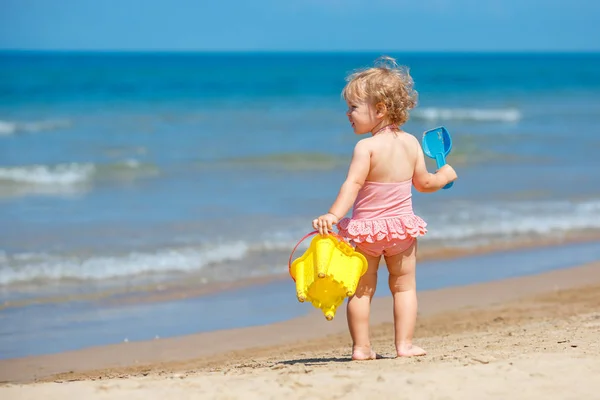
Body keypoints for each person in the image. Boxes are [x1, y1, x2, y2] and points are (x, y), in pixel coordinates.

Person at [312, 56, 457, 360]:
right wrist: (444, 175)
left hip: (367, 234)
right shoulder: (411, 143)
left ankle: (362, 348)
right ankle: (404, 345)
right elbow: (424, 184)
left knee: (361, 291)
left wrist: (333, 215)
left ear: (379, 110)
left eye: (353, 107)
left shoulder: (366, 148)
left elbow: (351, 186)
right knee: (404, 288)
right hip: (401, 231)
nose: (347, 114)